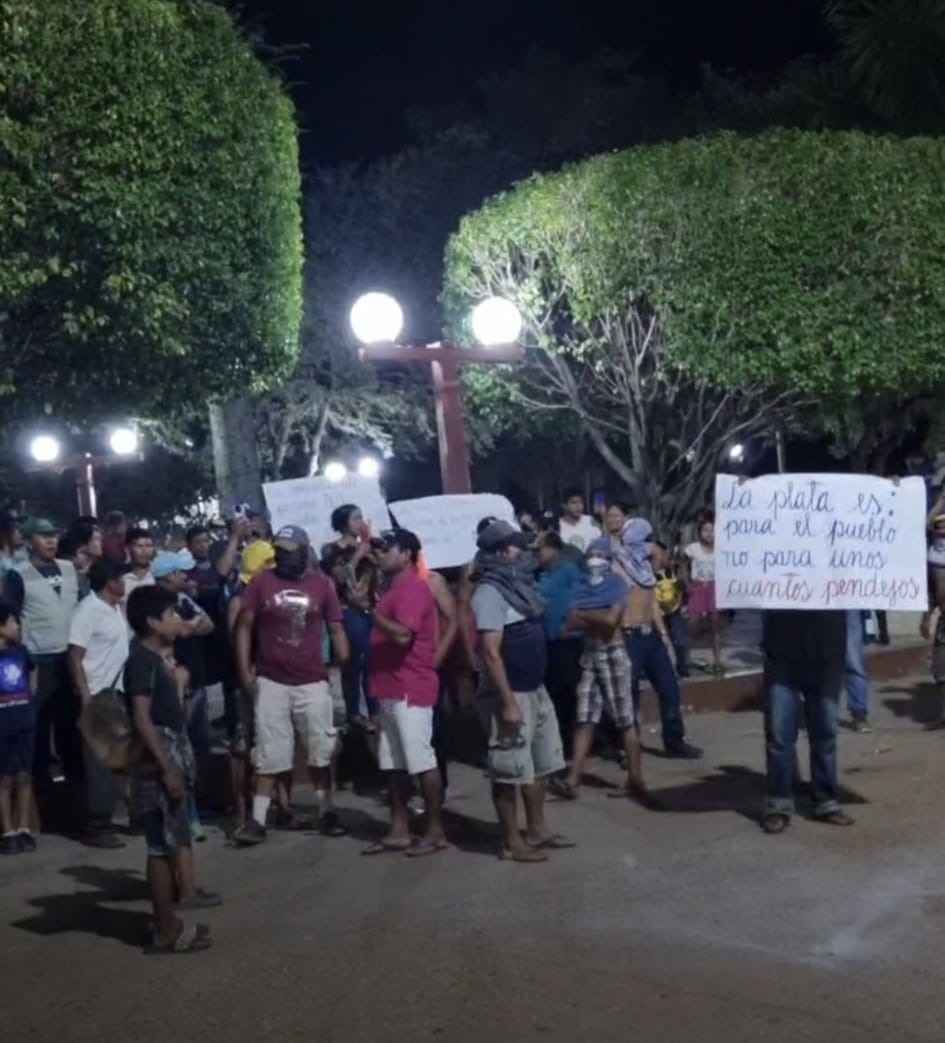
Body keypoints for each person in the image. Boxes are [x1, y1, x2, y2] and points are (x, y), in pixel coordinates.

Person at [234, 524, 350, 845]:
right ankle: (258, 820)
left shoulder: (321, 584)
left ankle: (326, 811)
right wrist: (245, 670)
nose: (282, 556)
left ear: (303, 551)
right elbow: (244, 627)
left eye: (289, 551)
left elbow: (336, 626)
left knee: (320, 749)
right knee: (270, 751)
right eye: (279, 551)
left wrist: (343, 657)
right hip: (272, 680)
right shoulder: (261, 583)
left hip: (312, 679)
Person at [125, 585, 219, 953]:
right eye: (171, 615)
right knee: (160, 846)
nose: (177, 620)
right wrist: (165, 767)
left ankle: (167, 923)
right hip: (158, 760)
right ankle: (165, 929)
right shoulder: (141, 662)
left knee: (169, 841)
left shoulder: (153, 659)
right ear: (152, 622)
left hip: (166, 755)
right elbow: (143, 718)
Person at [472, 519, 571, 863]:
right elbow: (489, 652)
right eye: (517, 545)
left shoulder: (520, 585)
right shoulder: (489, 591)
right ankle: (512, 842)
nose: (524, 552)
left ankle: (537, 829)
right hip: (512, 693)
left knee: (540, 764)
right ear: (503, 551)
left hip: (534, 687)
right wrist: (509, 702)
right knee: (508, 770)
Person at [363, 529, 446, 856]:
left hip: (410, 687)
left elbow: (401, 637)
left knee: (420, 761)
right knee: (394, 763)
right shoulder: (393, 588)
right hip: (391, 686)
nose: (380, 554)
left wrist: (370, 613)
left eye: (387, 548)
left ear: (407, 553)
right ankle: (399, 829)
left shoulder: (412, 587)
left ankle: (435, 829)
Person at [550, 542, 652, 805]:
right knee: (584, 716)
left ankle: (636, 778)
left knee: (624, 718)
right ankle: (573, 779)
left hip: (613, 652)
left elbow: (610, 621)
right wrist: (592, 614)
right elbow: (569, 622)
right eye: (591, 555)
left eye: (600, 556)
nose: (595, 560)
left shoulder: (616, 584)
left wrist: (584, 614)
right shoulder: (581, 585)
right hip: (590, 653)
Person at [607, 504, 702, 759]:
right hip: (628, 636)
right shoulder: (617, 566)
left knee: (670, 688)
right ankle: (629, 750)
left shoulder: (645, 568)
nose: (651, 545)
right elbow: (614, 607)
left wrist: (663, 636)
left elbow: (652, 604)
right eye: (647, 540)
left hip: (651, 637)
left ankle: (674, 741)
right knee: (630, 697)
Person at [760, 609, 853, 833]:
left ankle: (826, 801)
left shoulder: (842, 572)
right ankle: (779, 804)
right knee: (779, 733)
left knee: (825, 732)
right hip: (782, 651)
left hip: (827, 649)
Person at [6, 517, 83, 786]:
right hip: (40, 660)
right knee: (39, 724)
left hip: (71, 657)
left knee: (72, 724)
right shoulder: (18, 574)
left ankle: (75, 784)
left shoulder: (69, 568)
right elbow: (11, 616)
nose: (51, 540)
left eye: (53, 535)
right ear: (28, 542)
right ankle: (40, 785)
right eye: (43, 536)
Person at [68, 558, 130, 848]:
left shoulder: (115, 608)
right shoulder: (87, 611)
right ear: (110, 582)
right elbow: (75, 656)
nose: (125, 582)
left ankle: (115, 816)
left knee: (116, 756)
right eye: (121, 577)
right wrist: (85, 697)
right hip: (96, 694)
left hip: (115, 692)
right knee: (98, 761)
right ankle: (97, 824)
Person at [326, 504, 377, 728]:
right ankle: (354, 711)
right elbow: (339, 577)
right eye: (356, 518)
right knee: (355, 659)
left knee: (371, 660)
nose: (360, 522)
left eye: (361, 517)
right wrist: (358, 555)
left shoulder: (369, 547)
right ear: (344, 522)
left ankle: (374, 709)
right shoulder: (331, 549)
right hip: (347, 610)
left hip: (370, 608)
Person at [535, 530, 583, 755]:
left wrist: (570, 625)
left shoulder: (569, 572)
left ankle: (575, 742)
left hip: (568, 642)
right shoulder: (538, 575)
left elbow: (581, 599)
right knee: (554, 694)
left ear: (554, 550)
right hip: (548, 642)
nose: (537, 553)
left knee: (569, 693)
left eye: (540, 549)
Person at [0, 607, 37, 854]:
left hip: (24, 720)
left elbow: (33, 671)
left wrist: (31, 697)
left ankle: (24, 828)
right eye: (13, 622)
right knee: (4, 778)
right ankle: (7, 830)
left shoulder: (22, 652)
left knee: (24, 775)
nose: (18, 627)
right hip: (3, 724)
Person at [683, 515, 722, 675]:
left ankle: (717, 660)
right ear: (699, 533)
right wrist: (687, 585)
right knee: (693, 625)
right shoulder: (693, 549)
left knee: (715, 626)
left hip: (715, 587)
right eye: (705, 530)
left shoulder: (722, 548)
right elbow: (683, 566)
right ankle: (684, 659)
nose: (709, 534)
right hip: (698, 586)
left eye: (712, 531)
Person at [653, 540, 689, 678]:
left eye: (661, 553)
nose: (659, 557)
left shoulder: (674, 569)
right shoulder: (646, 572)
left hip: (674, 610)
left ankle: (682, 666)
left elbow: (685, 589)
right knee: (661, 641)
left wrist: (683, 580)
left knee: (679, 640)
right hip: (657, 613)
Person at [844, 610, 871, 733]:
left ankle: (859, 713)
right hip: (820, 604)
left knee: (853, 659)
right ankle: (820, 714)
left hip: (849, 602)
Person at [558, 488, 600, 552]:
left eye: (581, 502)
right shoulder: (558, 525)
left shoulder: (590, 520)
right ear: (564, 505)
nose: (578, 506)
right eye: (574, 503)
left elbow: (602, 541)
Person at [122, 526, 155, 603]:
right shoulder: (119, 577)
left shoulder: (158, 575)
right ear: (127, 549)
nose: (145, 551)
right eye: (139, 546)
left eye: (149, 546)